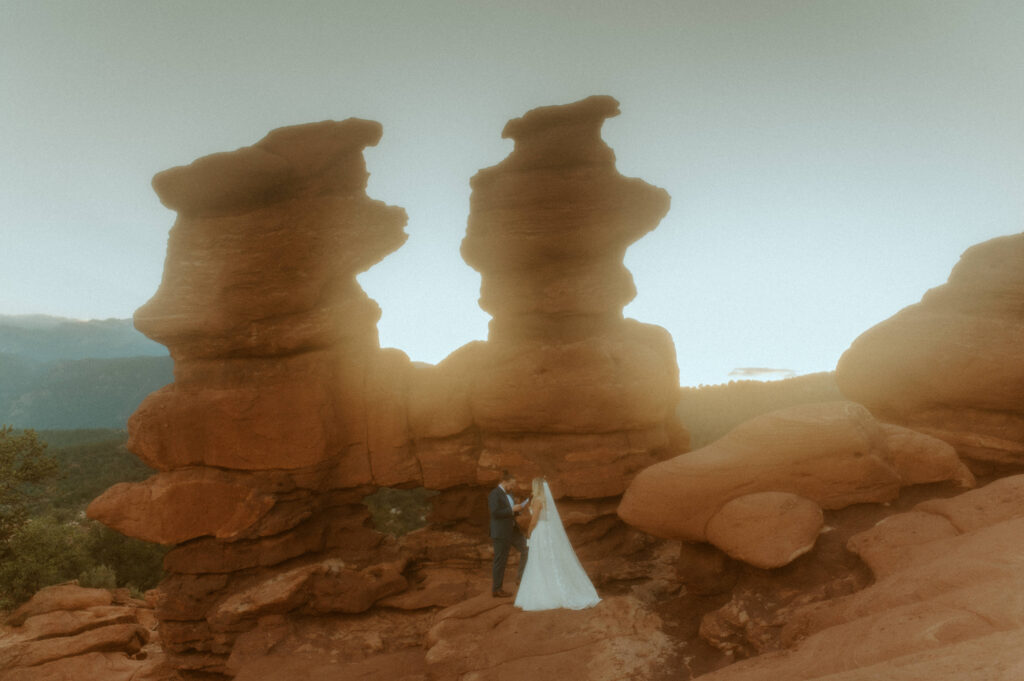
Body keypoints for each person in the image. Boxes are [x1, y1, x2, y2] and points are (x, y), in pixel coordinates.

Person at [514, 477, 601, 611]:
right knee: (547, 559)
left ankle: (547, 590)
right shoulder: (545, 500)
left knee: (539, 560)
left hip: (540, 531)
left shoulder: (537, 500)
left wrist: (529, 533)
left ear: (536, 487)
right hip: (546, 530)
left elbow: (534, 520)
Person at [488, 471, 529, 597]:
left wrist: (518, 510)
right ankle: (496, 589)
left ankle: (520, 578)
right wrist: (511, 509)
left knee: (526, 549)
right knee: (500, 560)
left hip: (513, 530)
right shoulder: (494, 494)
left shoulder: (509, 494)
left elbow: (510, 512)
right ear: (504, 482)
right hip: (501, 532)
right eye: (511, 485)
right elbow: (494, 512)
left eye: (513, 485)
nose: (512, 488)